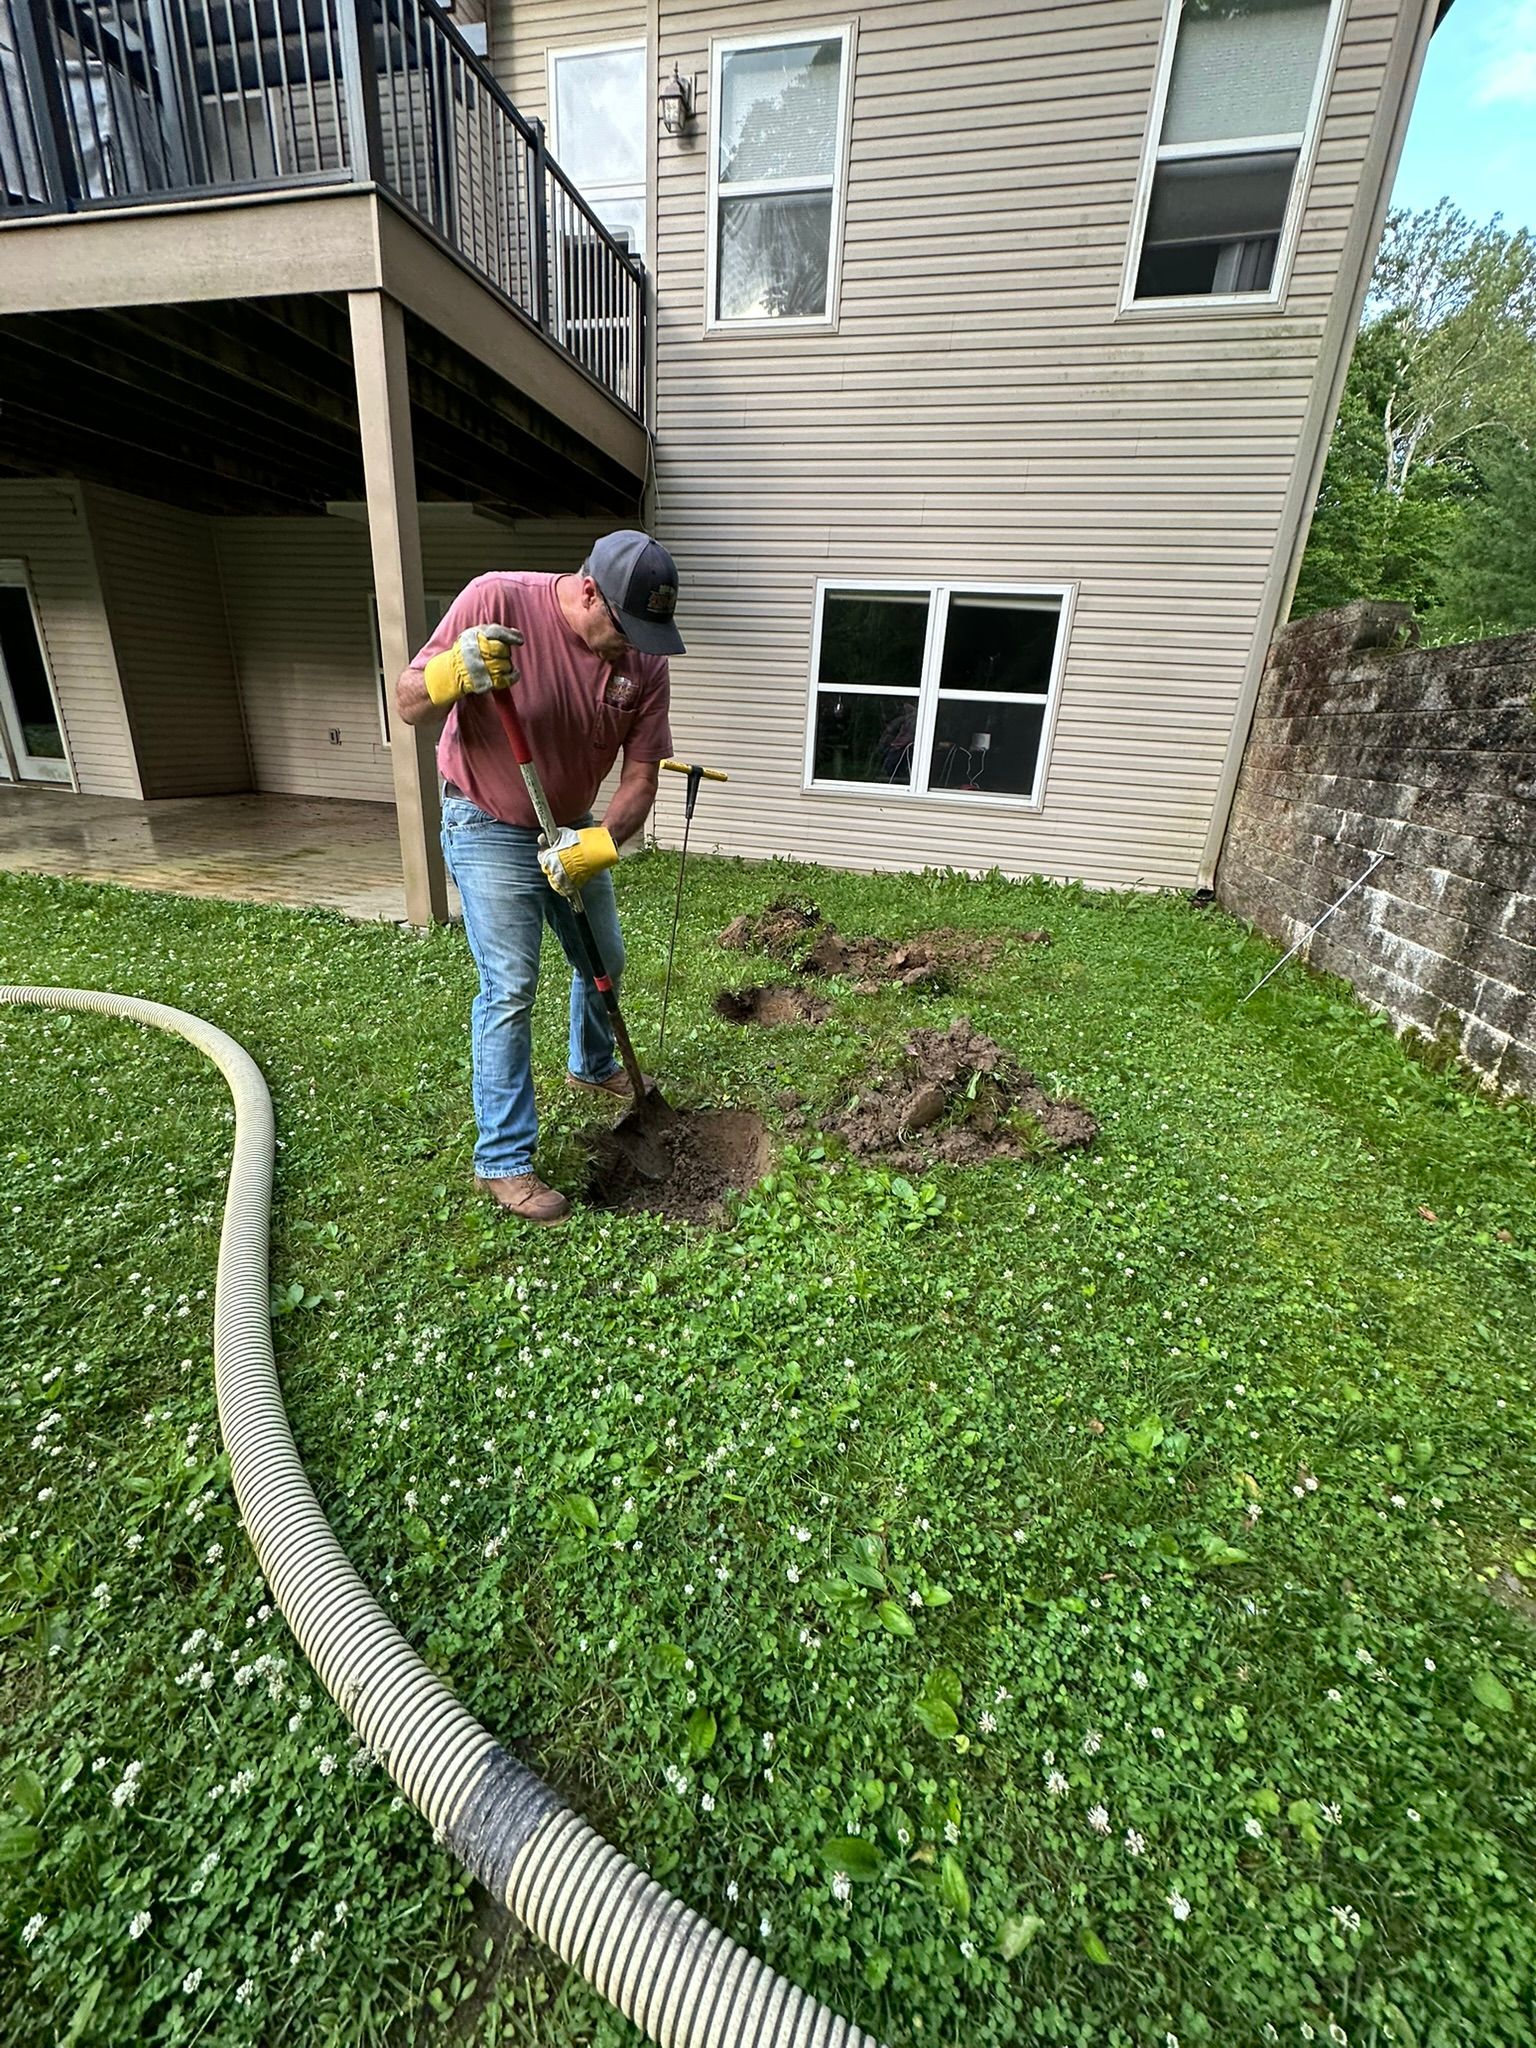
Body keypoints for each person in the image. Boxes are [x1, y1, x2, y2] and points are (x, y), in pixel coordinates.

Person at [395, 530, 682, 1224]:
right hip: (488, 818)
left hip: (571, 819)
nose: (633, 646)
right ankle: (502, 1162)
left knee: (602, 956)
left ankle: (589, 1062)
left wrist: (599, 845)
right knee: (512, 987)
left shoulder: (642, 661)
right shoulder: (498, 601)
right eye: (626, 628)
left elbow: (641, 777)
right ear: (589, 592)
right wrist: (451, 675)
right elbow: (408, 703)